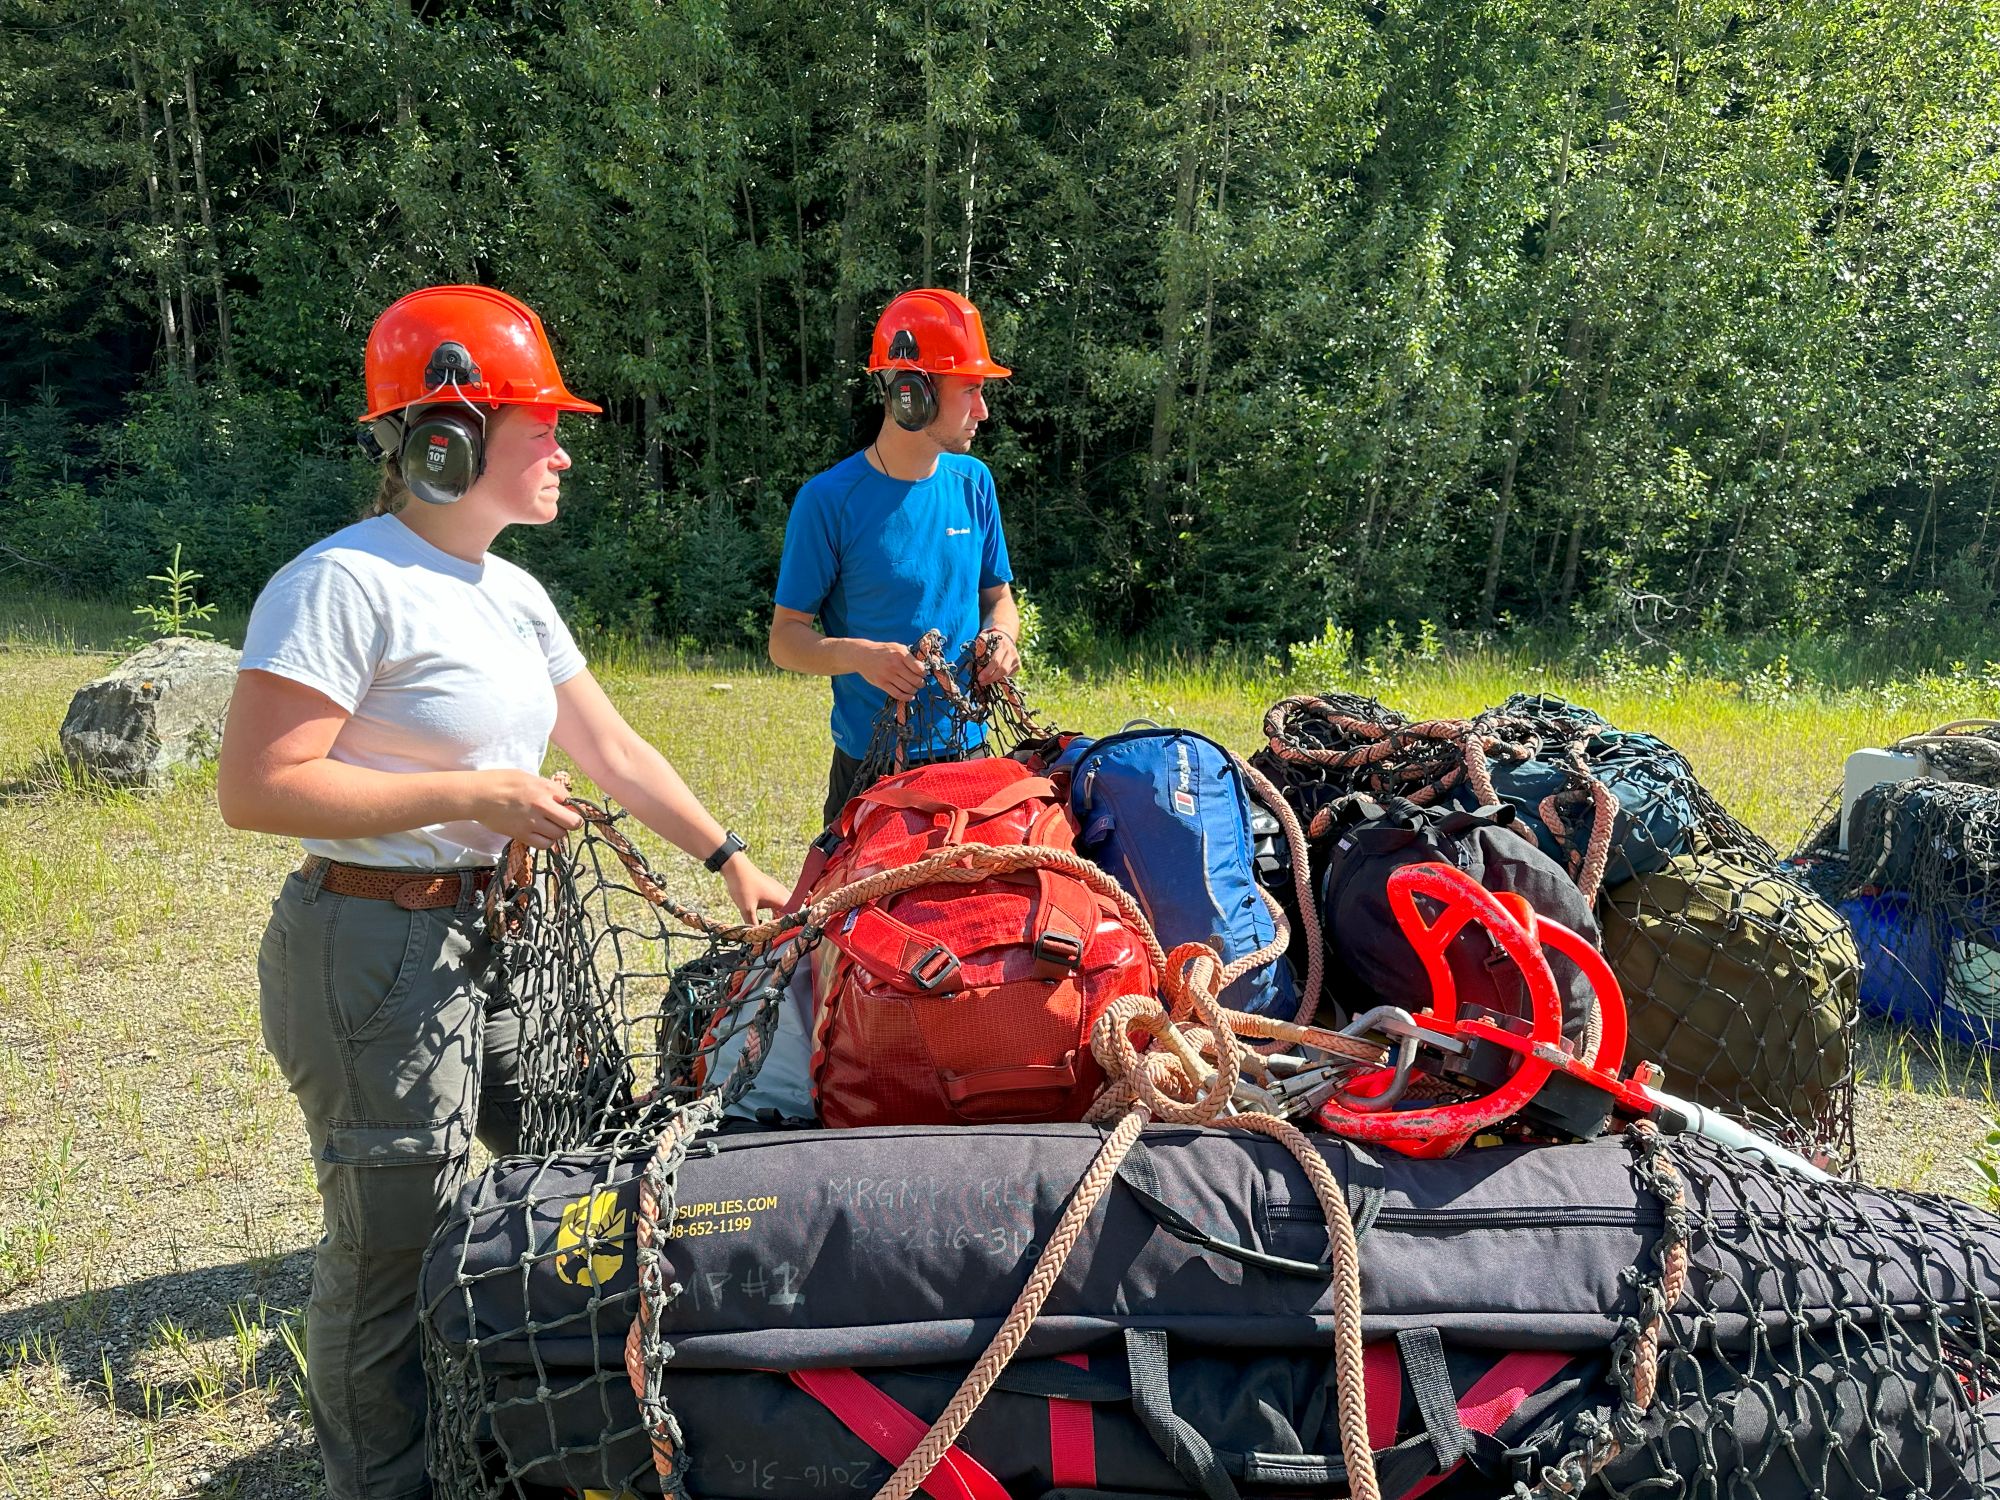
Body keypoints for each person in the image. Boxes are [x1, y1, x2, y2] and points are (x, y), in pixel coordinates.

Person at [215, 283, 788, 1500]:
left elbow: (613, 751)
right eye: (543, 429)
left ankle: (547, 1423)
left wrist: (728, 856)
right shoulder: (341, 584)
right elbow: (260, 788)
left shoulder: (511, 591)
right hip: (373, 949)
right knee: (391, 1251)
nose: (566, 451)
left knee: (579, 1170)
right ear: (448, 438)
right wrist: (470, 793)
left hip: (506, 938)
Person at [768, 287, 1023, 826]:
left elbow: (999, 599)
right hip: (873, 766)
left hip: (971, 753)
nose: (983, 409)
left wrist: (1001, 638)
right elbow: (785, 640)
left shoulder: (974, 483)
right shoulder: (829, 501)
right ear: (912, 394)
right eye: (971, 390)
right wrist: (862, 656)